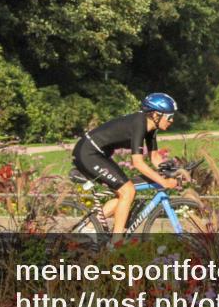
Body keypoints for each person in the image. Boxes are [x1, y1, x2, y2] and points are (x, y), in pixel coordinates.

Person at [71, 92, 186, 236]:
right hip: (88, 153)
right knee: (128, 190)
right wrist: (163, 181)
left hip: (99, 154)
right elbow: (137, 162)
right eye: (169, 116)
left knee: (124, 193)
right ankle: (117, 242)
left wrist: (177, 172)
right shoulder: (139, 124)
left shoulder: (151, 127)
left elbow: (155, 157)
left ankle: (88, 227)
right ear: (156, 115)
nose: (172, 120)